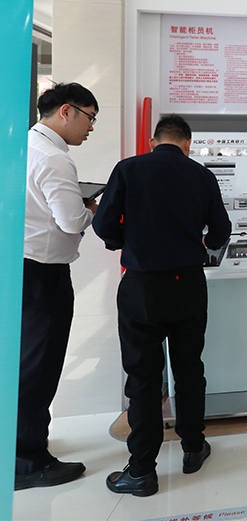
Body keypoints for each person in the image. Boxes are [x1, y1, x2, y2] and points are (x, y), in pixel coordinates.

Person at [93, 114, 231, 497]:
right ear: (188, 144)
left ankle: (141, 471)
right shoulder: (202, 175)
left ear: (154, 142)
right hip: (188, 284)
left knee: (143, 377)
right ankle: (193, 447)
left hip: (142, 286)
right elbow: (221, 231)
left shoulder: (128, 169)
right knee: (189, 367)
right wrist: (201, 243)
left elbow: (103, 224)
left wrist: (125, 241)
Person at [16, 83, 100, 491]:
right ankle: (28, 462)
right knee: (39, 366)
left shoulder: (24, 147)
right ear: (66, 111)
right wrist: (91, 209)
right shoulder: (53, 158)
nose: (91, 128)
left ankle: (24, 444)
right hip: (43, 276)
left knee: (25, 363)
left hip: (22, 268)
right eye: (90, 117)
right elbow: (70, 221)